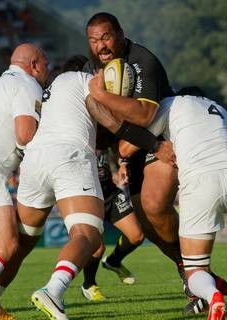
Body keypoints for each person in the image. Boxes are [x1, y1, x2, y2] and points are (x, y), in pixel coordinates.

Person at [118, 88, 227, 319]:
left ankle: (213, 297)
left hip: (200, 185)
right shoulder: (221, 110)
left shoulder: (171, 104)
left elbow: (125, 148)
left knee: (195, 270)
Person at [83, 12, 209, 312]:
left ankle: (195, 273)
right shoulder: (91, 68)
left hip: (162, 141)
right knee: (144, 226)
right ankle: (189, 269)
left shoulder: (143, 61)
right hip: (133, 149)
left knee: (154, 206)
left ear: (120, 34)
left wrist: (100, 97)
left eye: (106, 37)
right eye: (93, 41)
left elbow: (144, 115)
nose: (101, 46)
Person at [0, 43, 49, 320]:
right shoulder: (28, 85)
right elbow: (25, 136)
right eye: (46, 66)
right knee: (7, 245)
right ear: (35, 64)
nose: (46, 73)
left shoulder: (3, 82)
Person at [61, 54, 144, 301]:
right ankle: (89, 284)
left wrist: (122, 164)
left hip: (107, 187)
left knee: (137, 235)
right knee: (95, 244)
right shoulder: (68, 117)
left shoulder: (99, 110)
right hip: (84, 189)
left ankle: (115, 261)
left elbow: (113, 143)